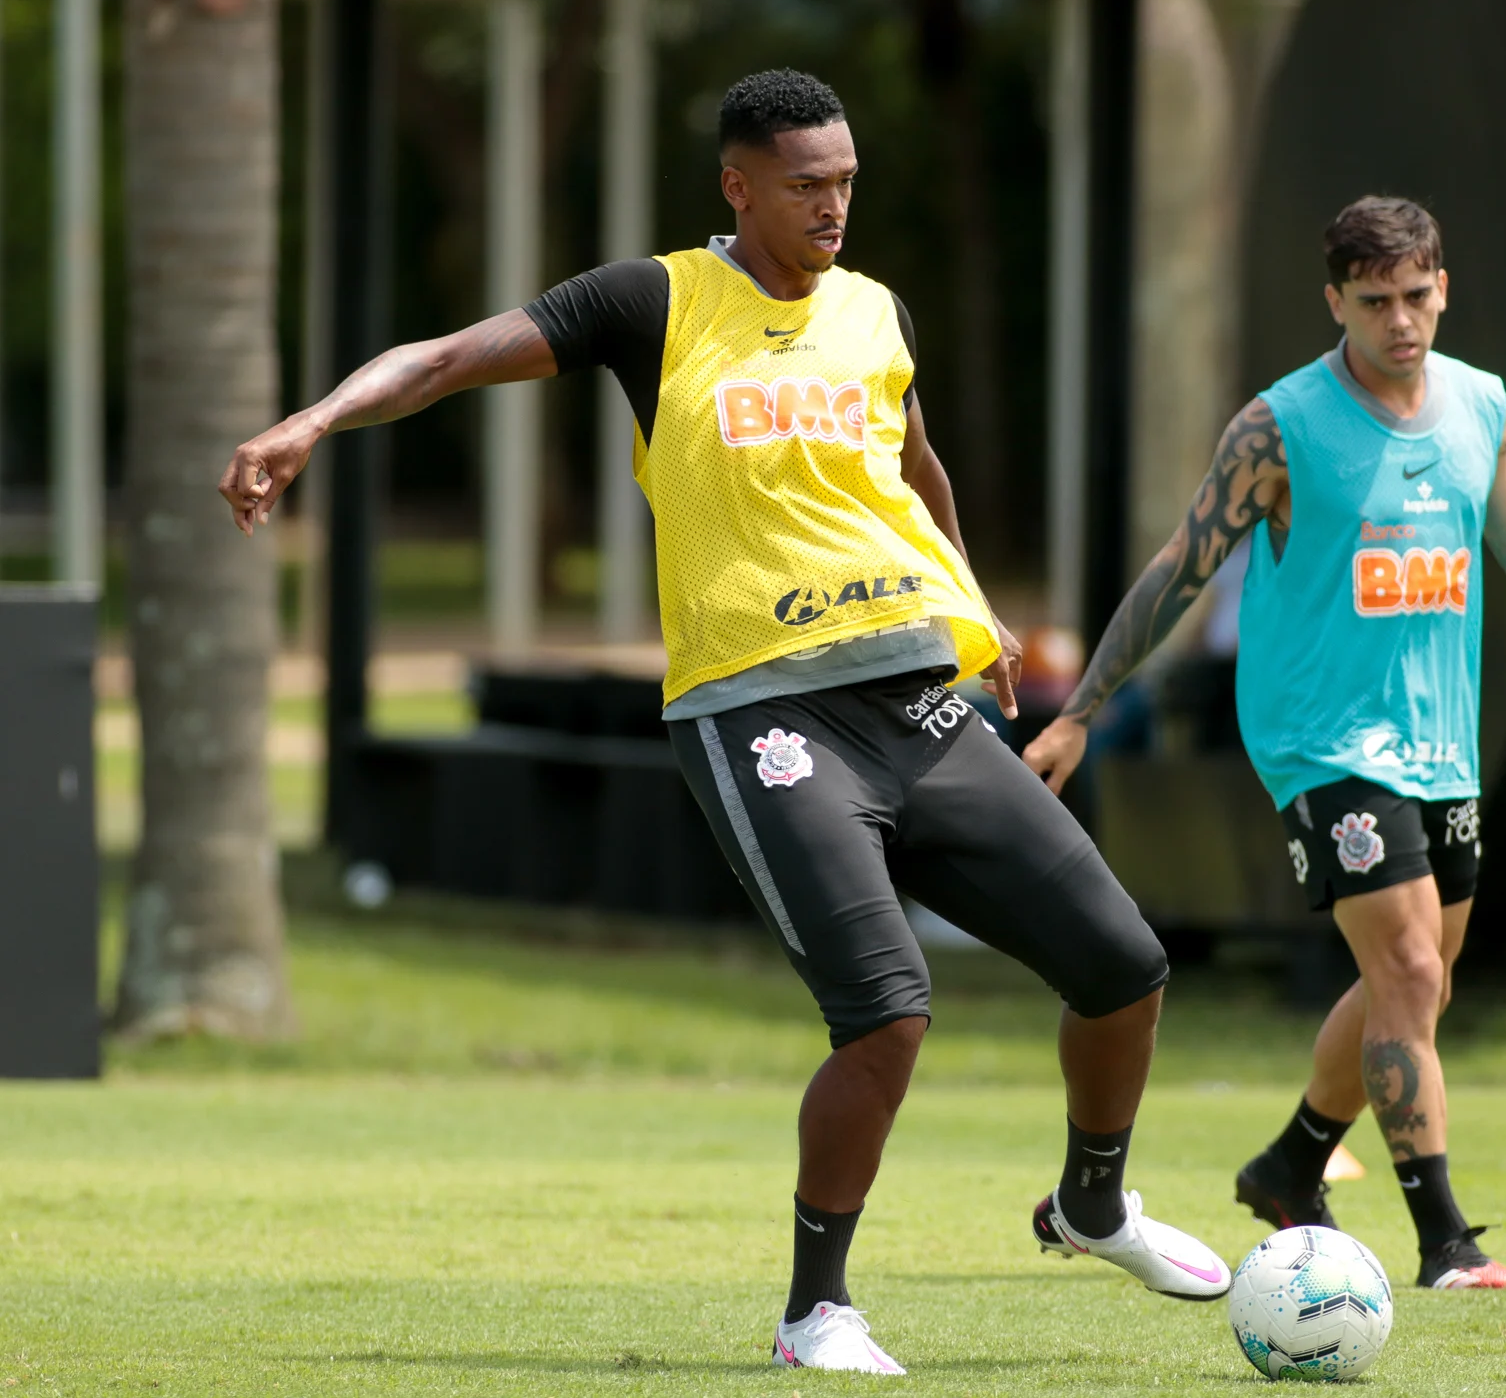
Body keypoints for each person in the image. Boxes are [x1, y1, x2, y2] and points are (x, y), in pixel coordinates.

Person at [219, 69, 1229, 1374]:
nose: (834, 206)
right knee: (887, 1008)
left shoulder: (873, 312)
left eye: (849, 181)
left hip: (918, 695)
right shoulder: (655, 303)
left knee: (1124, 962)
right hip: (761, 712)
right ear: (736, 185)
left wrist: (972, 619)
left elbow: (917, 466)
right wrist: (313, 420)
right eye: (806, 185)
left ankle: (1093, 1202)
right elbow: (454, 358)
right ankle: (818, 1307)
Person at [1024, 196, 1506, 1291]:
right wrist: (1081, 708)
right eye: (1374, 302)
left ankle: (1290, 1163)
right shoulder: (1279, 426)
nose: (1400, 321)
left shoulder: (1479, 406)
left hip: (1441, 744)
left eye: (1416, 297)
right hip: (1320, 741)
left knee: (1421, 984)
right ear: (1333, 301)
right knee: (1398, 964)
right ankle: (1443, 1238)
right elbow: (1180, 568)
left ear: (1442, 288)